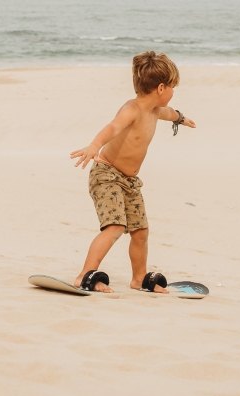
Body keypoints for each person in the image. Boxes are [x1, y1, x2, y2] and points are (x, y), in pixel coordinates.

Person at [69, 51, 196, 293]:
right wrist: (94, 146)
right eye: (172, 87)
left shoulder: (157, 111)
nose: (173, 92)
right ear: (161, 88)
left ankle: (138, 279)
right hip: (106, 174)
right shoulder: (132, 109)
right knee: (115, 226)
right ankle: (84, 274)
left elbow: (171, 114)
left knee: (140, 231)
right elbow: (113, 127)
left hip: (129, 181)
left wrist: (182, 119)